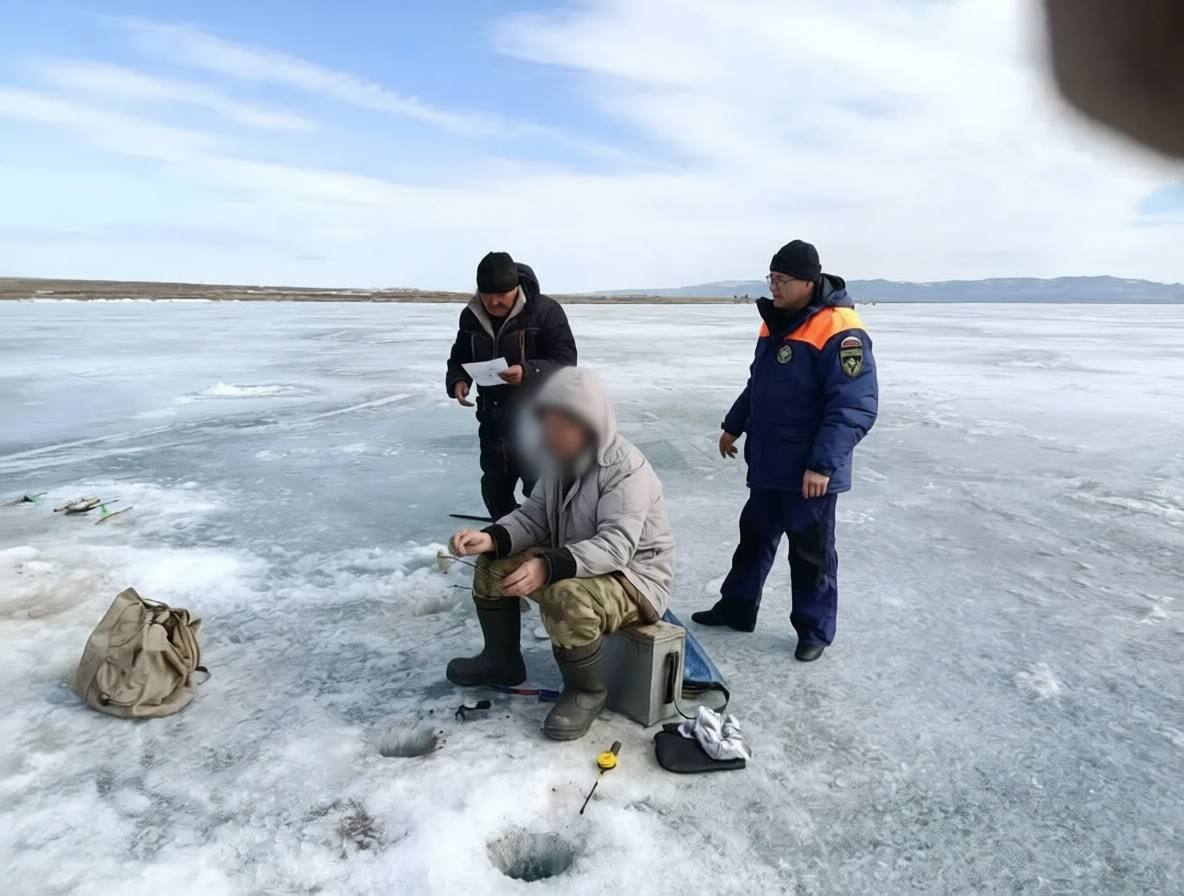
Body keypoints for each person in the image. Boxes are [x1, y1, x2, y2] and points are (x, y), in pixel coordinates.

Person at [445, 367, 675, 741]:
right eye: (548, 425)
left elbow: (617, 545)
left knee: (563, 594)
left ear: (590, 424)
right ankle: (502, 660)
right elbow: (534, 516)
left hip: (635, 580)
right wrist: (491, 538)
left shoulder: (626, 469)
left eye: (562, 426)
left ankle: (586, 691)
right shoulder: (560, 460)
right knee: (493, 565)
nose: (551, 435)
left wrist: (548, 565)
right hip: (579, 561)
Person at [692, 240, 878, 662]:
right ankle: (737, 608)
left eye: (781, 279)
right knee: (753, 538)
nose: (773, 286)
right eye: (770, 277)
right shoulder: (775, 322)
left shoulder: (841, 329)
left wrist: (822, 465)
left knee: (811, 554)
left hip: (810, 472)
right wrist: (734, 424)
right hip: (770, 462)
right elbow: (759, 382)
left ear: (808, 282)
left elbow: (853, 406)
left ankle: (814, 630)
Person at [446, 252, 577, 519]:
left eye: (501, 294)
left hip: (538, 418)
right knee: (494, 488)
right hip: (492, 419)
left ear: (516, 287)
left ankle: (548, 534)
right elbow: (460, 355)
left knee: (541, 487)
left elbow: (566, 361)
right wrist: (458, 379)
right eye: (487, 295)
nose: (494, 302)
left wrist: (528, 372)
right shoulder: (470, 315)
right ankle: (508, 533)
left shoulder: (545, 311)